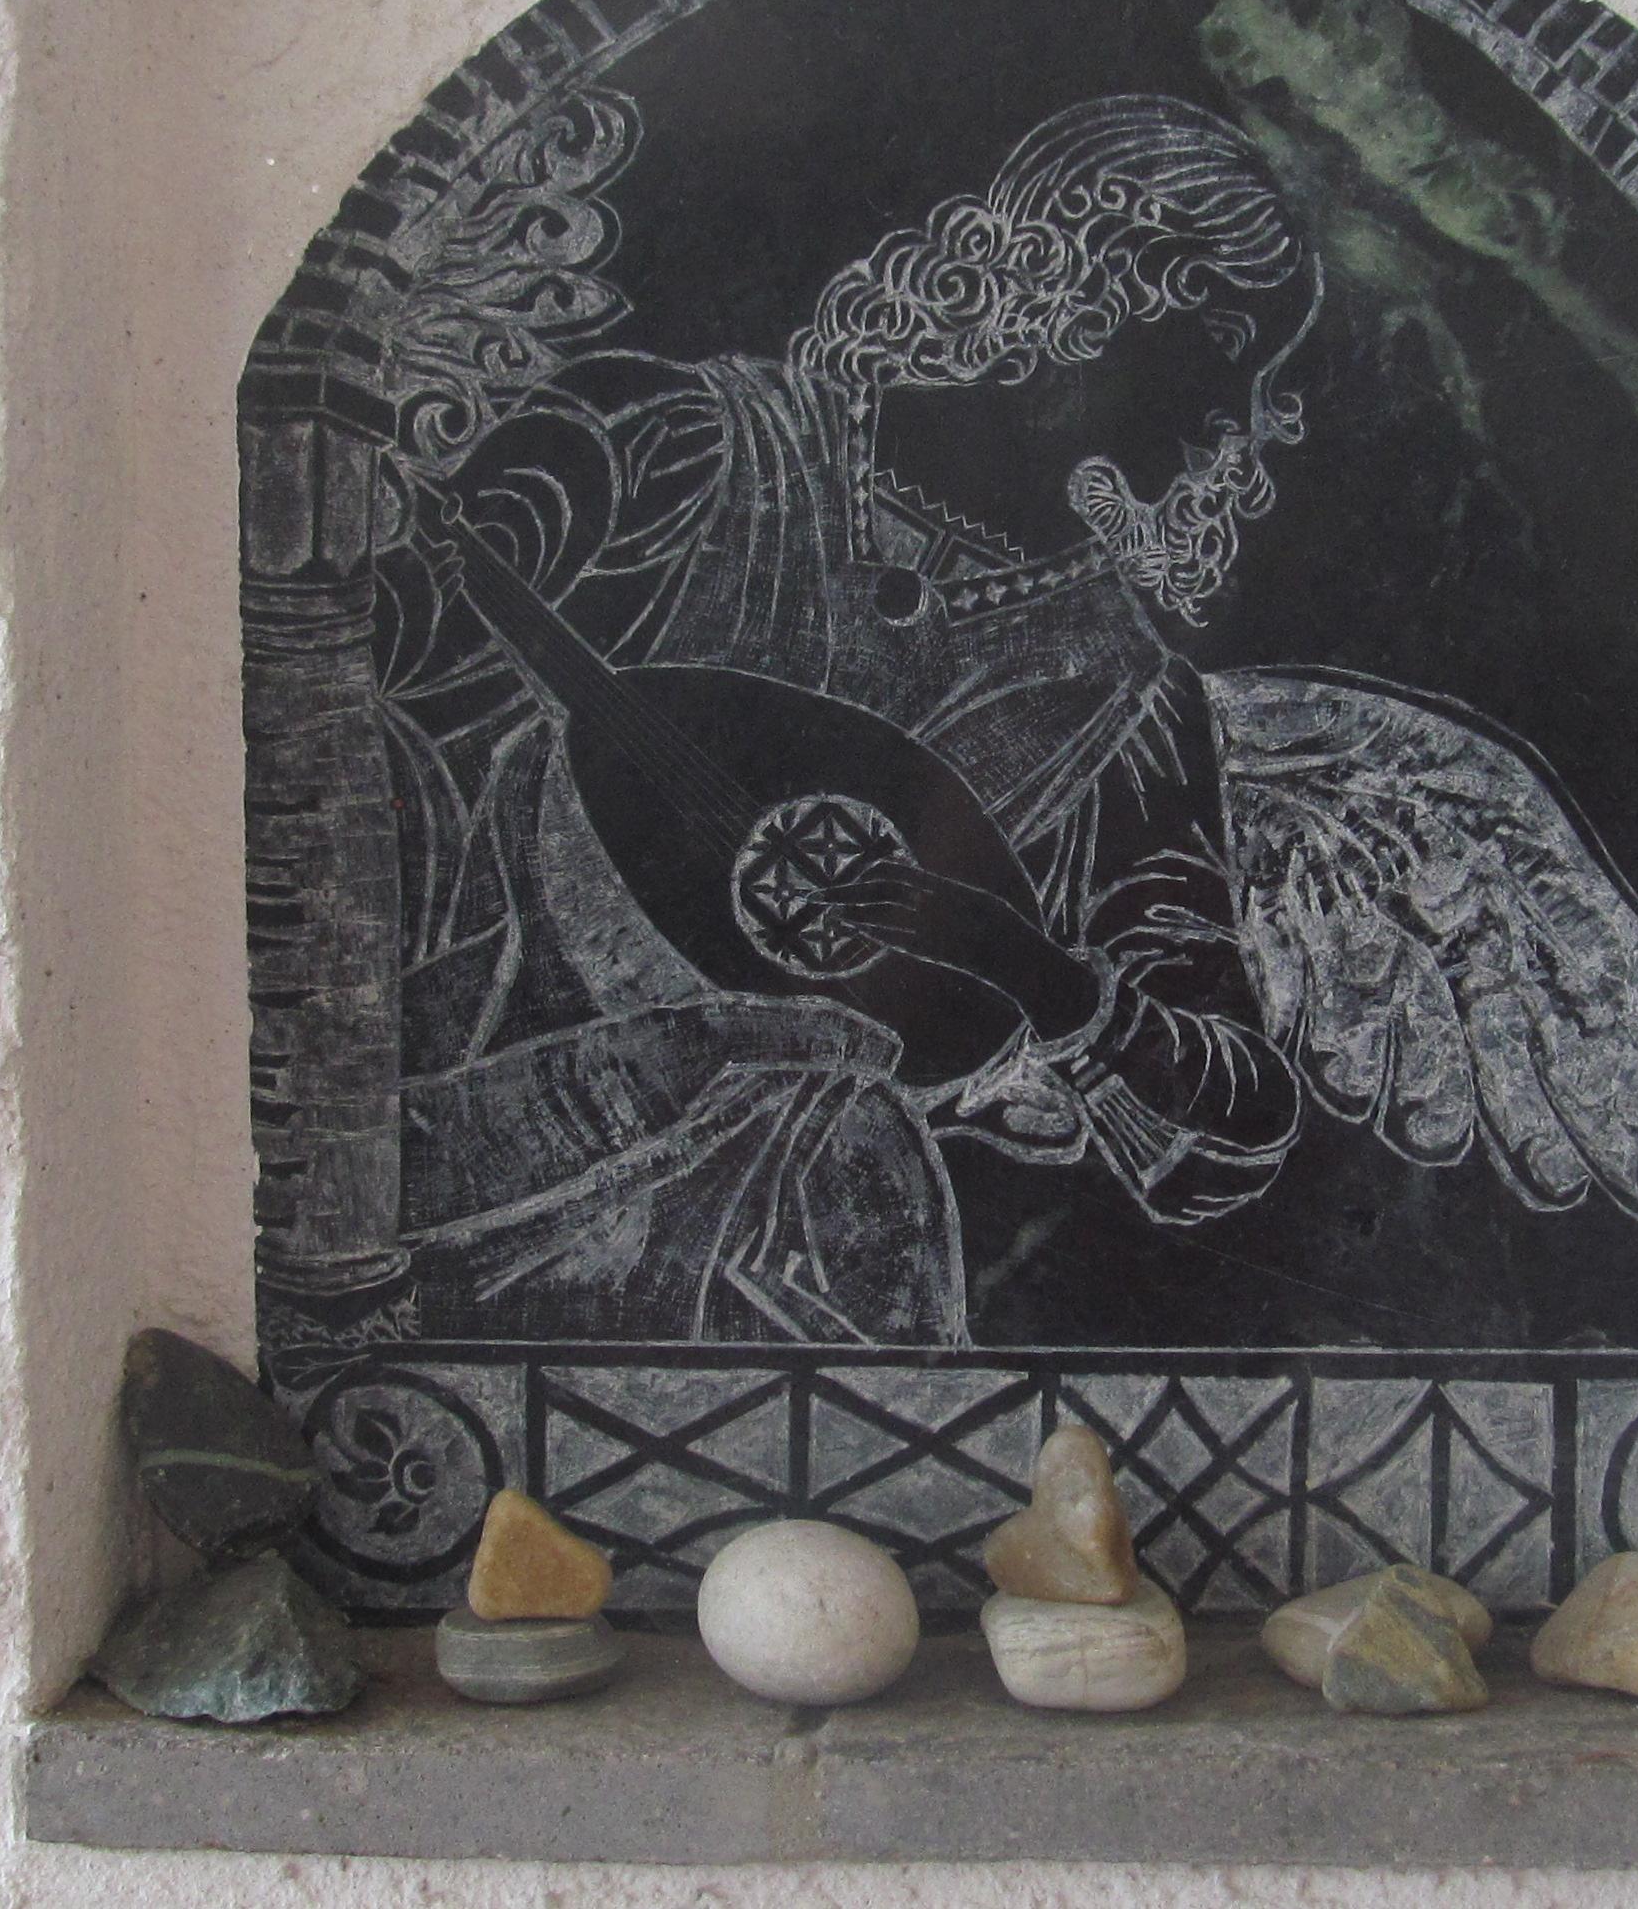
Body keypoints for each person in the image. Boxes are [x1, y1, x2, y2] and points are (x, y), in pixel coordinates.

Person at [377, 95, 1317, 1345]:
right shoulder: (713, 449)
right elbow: (392, 639)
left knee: (853, 1157)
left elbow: (1234, 1129)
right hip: (483, 1122)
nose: (1239, 425)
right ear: (1093, 293)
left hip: (786, 1213)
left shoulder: (1131, 704)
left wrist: (1028, 969)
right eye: (1228, 346)